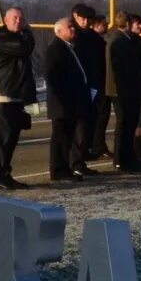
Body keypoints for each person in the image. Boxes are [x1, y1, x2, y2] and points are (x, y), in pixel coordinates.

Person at [0, 7, 36, 189]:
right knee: (2, 140)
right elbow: (24, 48)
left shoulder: (20, 37)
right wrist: (28, 33)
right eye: (14, 18)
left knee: (11, 139)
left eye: (21, 19)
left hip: (14, 95)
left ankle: (5, 174)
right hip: (2, 95)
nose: (18, 21)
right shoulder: (2, 37)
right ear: (5, 20)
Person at [40, 17, 91, 182]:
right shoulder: (56, 49)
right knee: (60, 137)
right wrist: (64, 97)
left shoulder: (69, 48)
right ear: (59, 31)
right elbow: (53, 77)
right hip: (62, 103)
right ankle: (58, 170)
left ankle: (65, 168)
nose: (73, 29)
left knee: (68, 137)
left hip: (71, 102)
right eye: (70, 27)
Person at [105, 11, 141, 171]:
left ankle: (129, 156)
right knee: (124, 124)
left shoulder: (124, 40)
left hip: (130, 89)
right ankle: (120, 159)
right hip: (121, 90)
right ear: (128, 23)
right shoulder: (116, 40)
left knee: (130, 124)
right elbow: (118, 69)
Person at [71, 5, 108, 168]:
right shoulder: (73, 36)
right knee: (79, 125)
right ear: (75, 16)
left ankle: (84, 152)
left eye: (88, 19)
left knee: (90, 121)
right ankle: (75, 159)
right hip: (79, 86)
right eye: (82, 18)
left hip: (95, 84)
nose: (85, 22)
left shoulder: (93, 37)